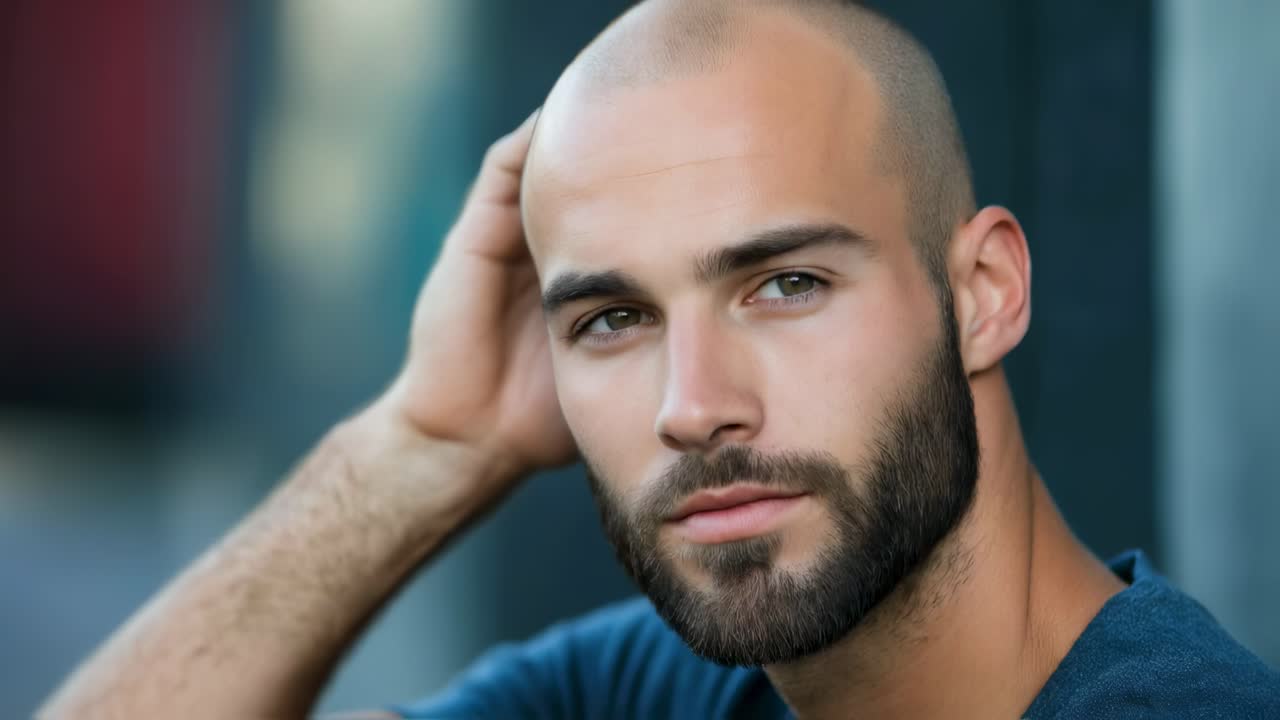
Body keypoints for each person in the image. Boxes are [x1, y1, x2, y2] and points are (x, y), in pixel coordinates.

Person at [39, 1, 1280, 718]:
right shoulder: (651, 692)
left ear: (982, 293)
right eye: (611, 321)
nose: (692, 407)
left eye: (784, 284)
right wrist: (420, 447)